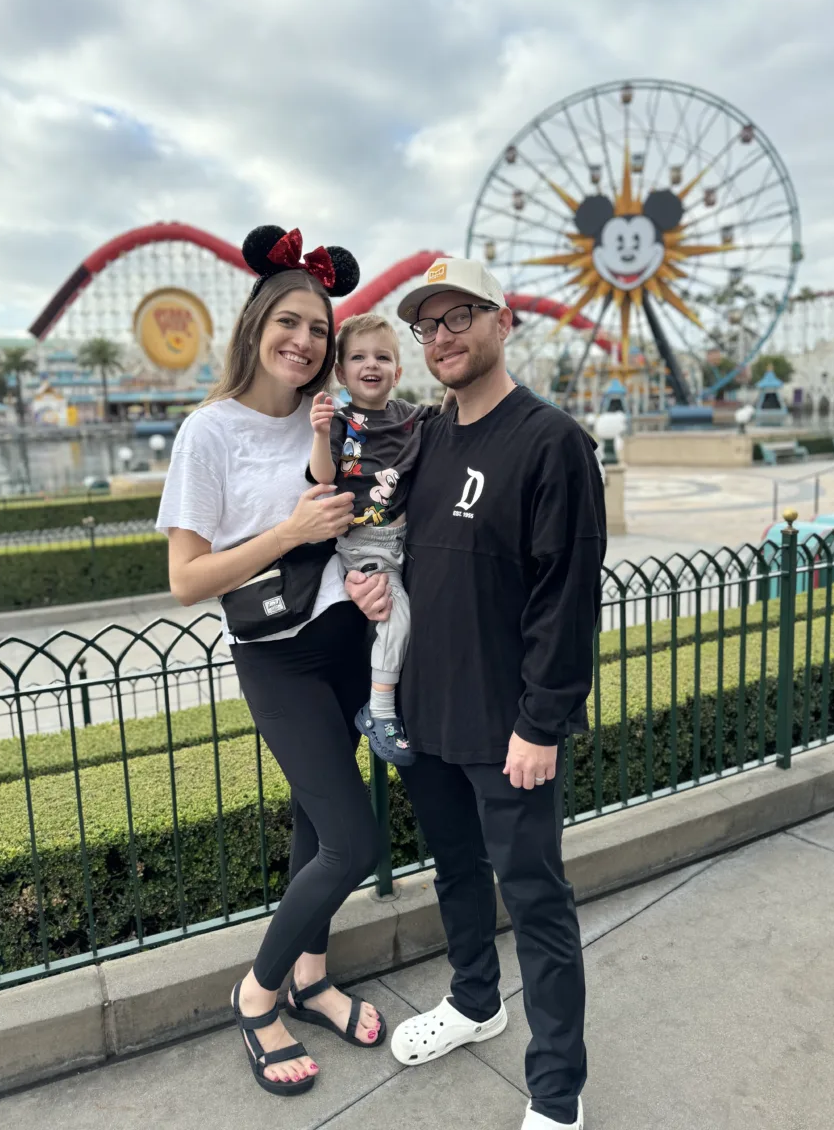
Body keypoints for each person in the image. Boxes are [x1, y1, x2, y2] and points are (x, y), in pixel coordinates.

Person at [346, 257, 606, 1130]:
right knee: (455, 872)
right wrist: (368, 587)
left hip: (508, 725)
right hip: (427, 711)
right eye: (429, 325)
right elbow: (394, 547)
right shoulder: (425, 436)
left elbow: (567, 597)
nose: (443, 337)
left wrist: (541, 724)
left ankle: (558, 1092)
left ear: (504, 322)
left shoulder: (551, 441)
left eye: (461, 316)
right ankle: (473, 1000)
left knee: (536, 898)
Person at [156, 224, 387, 1099]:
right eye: (289, 321)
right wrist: (289, 532)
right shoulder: (208, 433)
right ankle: (257, 994)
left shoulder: (331, 419)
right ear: (255, 324)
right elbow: (187, 580)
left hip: (347, 643)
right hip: (277, 658)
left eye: (319, 329)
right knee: (354, 841)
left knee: (315, 826)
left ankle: (312, 979)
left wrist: (371, 575)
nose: (305, 340)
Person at [307, 312, 446, 764]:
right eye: (359, 357)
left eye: (383, 358)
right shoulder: (340, 422)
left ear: (398, 372)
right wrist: (320, 433)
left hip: (407, 540)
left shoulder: (410, 417)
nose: (371, 365)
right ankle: (380, 711)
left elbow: (450, 412)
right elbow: (322, 477)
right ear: (341, 372)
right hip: (365, 544)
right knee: (395, 616)